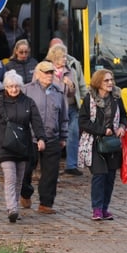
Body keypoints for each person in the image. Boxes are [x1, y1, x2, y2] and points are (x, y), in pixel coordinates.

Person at [0, 70, 46, 223]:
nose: (14, 89)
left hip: (22, 145)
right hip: (4, 146)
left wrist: (41, 138)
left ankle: (15, 207)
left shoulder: (28, 102)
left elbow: (36, 121)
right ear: (6, 87)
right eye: (10, 86)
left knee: (20, 178)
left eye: (16, 86)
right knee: (10, 177)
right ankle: (11, 208)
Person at [78, 68, 127, 220]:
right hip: (94, 142)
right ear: (98, 82)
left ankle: (105, 208)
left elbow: (124, 116)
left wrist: (122, 127)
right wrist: (102, 130)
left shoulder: (116, 98)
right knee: (99, 175)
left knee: (110, 177)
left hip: (112, 143)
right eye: (106, 80)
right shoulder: (89, 99)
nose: (110, 83)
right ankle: (97, 209)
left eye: (111, 80)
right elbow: (83, 121)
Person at [21, 61, 68, 214]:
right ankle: (25, 192)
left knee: (51, 173)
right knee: (26, 170)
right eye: (46, 72)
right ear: (38, 73)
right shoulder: (27, 90)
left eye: (51, 72)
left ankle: (46, 203)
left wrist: (63, 136)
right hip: (31, 138)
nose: (49, 75)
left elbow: (63, 116)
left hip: (52, 137)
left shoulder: (58, 92)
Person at [50, 38, 87, 176]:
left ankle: (71, 165)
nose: (64, 58)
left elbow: (81, 85)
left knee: (73, 134)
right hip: (56, 109)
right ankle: (52, 164)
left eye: (65, 55)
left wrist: (86, 99)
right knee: (55, 136)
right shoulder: (46, 68)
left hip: (72, 107)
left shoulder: (73, 66)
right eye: (61, 56)